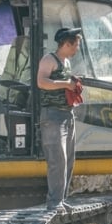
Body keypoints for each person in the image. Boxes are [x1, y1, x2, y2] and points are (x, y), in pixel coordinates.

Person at [36, 27, 83, 212]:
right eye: (76, 45)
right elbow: (41, 82)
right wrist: (67, 84)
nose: (77, 49)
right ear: (67, 44)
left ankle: (61, 199)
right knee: (58, 160)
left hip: (66, 115)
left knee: (68, 160)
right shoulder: (49, 60)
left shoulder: (66, 62)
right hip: (53, 117)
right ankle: (54, 203)